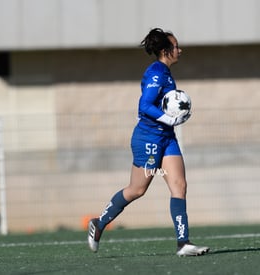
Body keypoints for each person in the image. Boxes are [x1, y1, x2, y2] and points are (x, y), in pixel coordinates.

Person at [87, 28, 210, 256]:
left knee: (179, 186)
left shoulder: (166, 72)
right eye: (176, 46)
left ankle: (183, 243)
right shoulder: (156, 72)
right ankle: (99, 223)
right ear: (165, 51)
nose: (180, 50)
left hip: (166, 137)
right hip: (149, 139)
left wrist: (171, 120)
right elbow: (144, 105)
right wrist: (170, 118)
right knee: (137, 189)